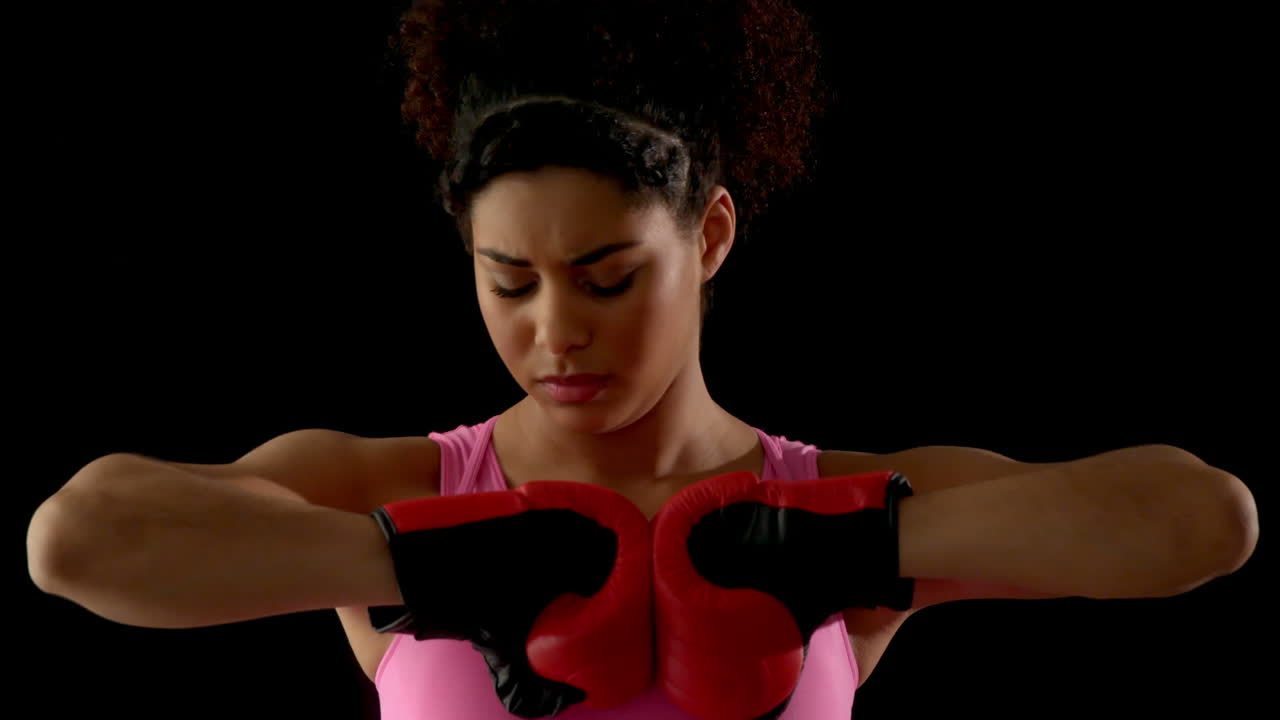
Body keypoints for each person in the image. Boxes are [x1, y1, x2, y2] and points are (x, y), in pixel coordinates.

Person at [26, 1, 1259, 718]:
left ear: (708, 237)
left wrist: (838, 549)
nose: (554, 332)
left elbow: (1199, 522)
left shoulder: (834, 497)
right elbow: (77, 541)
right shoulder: (397, 488)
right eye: (509, 281)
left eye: (607, 278)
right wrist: (428, 565)